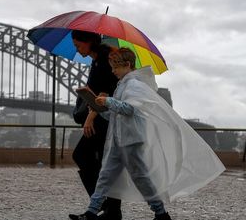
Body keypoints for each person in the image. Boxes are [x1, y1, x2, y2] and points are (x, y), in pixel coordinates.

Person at [73, 47, 225, 220]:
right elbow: (116, 114)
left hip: (130, 141)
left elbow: (130, 109)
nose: (113, 71)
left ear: (127, 65)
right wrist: (100, 109)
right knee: (105, 178)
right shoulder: (122, 85)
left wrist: (108, 101)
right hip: (118, 140)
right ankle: (91, 212)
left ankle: (161, 213)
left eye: (115, 67)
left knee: (141, 179)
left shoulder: (134, 85)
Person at [69, 30, 122, 220]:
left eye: (78, 45)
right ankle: (111, 210)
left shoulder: (106, 60)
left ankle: (105, 206)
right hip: (101, 118)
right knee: (102, 163)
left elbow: (106, 92)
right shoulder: (97, 60)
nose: (77, 50)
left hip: (105, 119)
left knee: (82, 155)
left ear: (90, 41)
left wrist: (90, 117)